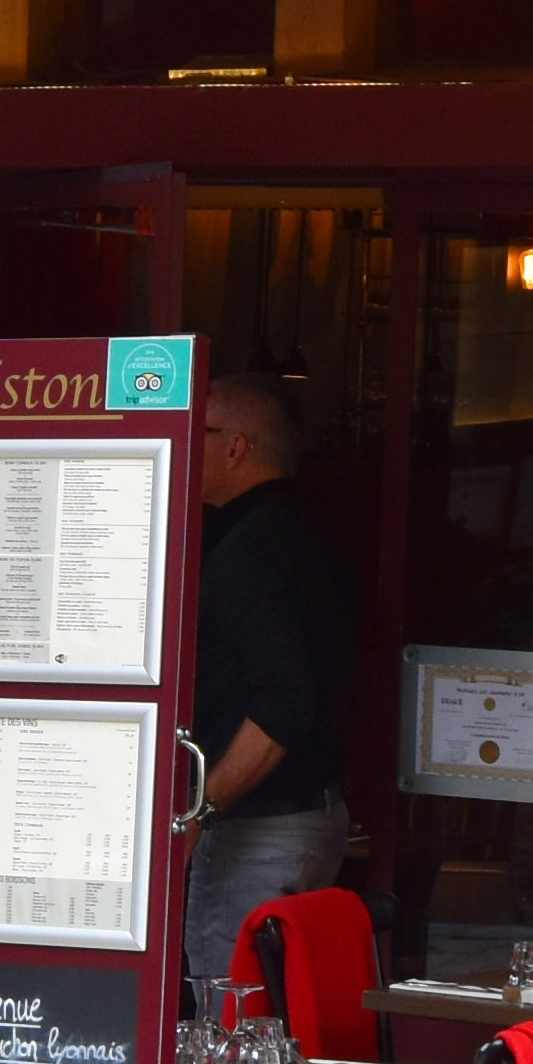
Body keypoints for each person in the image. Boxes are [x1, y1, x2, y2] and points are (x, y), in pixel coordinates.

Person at [184, 373, 359, 985]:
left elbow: (286, 703)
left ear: (236, 447)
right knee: (282, 1012)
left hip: (260, 830)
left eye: (194, 432)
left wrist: (199, 809)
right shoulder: (310, 534)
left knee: (234, 1019)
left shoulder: (248, 551)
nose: (179, 444)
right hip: (312, 818)